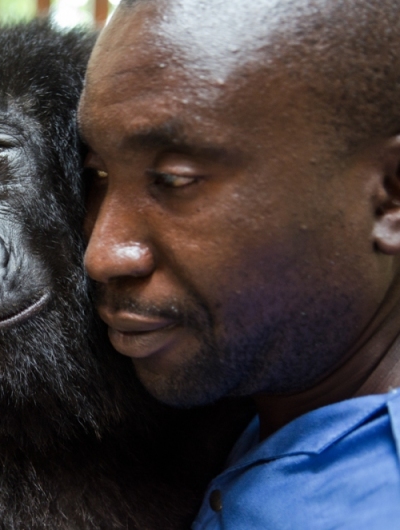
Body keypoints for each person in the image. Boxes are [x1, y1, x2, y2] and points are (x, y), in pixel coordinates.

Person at [79, 0, 400, 527]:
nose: (101, 255)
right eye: (98, 176)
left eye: (176, 179)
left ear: (389, 197)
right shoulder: (254, 402)